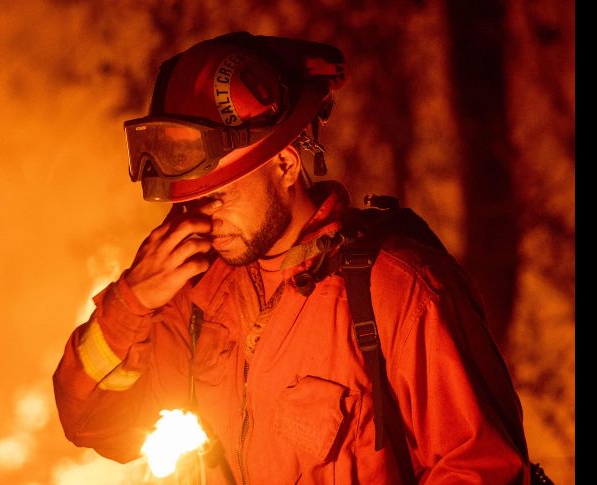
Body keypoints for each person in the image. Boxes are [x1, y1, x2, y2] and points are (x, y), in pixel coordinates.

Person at [52, 31, 531, 484]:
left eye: (219, 195)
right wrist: (133, 300)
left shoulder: (400, 292)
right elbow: (97, 425)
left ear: (284, 165)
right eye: (190, 201)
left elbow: (483, 469)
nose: (203, 218)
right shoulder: (201, 297)